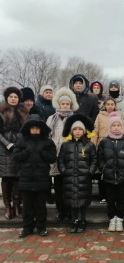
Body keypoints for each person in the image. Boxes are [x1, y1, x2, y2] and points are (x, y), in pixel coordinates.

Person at [13, 115, 56, 238]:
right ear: (28, 129)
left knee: (41, 207)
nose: (35, 130)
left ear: (41, 129)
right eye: (33, 128)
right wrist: (26, 151)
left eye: (37, 128)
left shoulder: (48, 142)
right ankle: (27, 228)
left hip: (42, 179)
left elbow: (53, 158)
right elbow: (16, 157)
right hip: (26, 179)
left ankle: (41, 228)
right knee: (27, 207)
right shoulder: (22, 141)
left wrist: (42, 152)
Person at [58, 114, 97, 233]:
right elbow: (60, 159)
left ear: (84, 131)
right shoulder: (66, 145)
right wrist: (63, 170)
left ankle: (82, 220)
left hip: (84, 177)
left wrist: (90, 171)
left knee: (82, 200)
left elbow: (94, 159)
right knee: (72, 200)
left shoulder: (89, 145)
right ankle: (74, 220)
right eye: (75, 129)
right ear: (71, 131)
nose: (77, 132)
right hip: (69, 177)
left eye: (80, 129)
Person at [46, 87, 79, 221]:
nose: (65, 106)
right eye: (63, 103)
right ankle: (61, 212)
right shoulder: (51, 119)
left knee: (69, 188)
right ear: (58, 104)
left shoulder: (75, 119)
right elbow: (47, 137)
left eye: (67, 104)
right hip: (55, 157)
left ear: (71, 105)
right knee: (59, 188)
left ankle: (71, 211)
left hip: (70, 158)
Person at [98, 112, 124, 232]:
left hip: (122, 177)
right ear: (110, 127)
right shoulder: (104, 142)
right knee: (110, 200)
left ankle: (120, 219)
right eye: (114, 125)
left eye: (118, 125)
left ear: (122, 127)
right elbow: (100, 158)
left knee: (121, 199)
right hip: (108, 177)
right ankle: (112, 219)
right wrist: (104, 168)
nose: (116, 127)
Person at [0, 87, 28, 219]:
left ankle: (17, 205)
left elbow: (26, 131)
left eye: (15, 97)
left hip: (20, 147)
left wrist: (22, 144)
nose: (13, 99)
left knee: (18, 177)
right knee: (7, 177)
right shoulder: (1, 112)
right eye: (11, 96)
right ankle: (8, 206)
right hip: (5, 149)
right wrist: (7, 144)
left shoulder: (23, 112)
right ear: (7, 98)